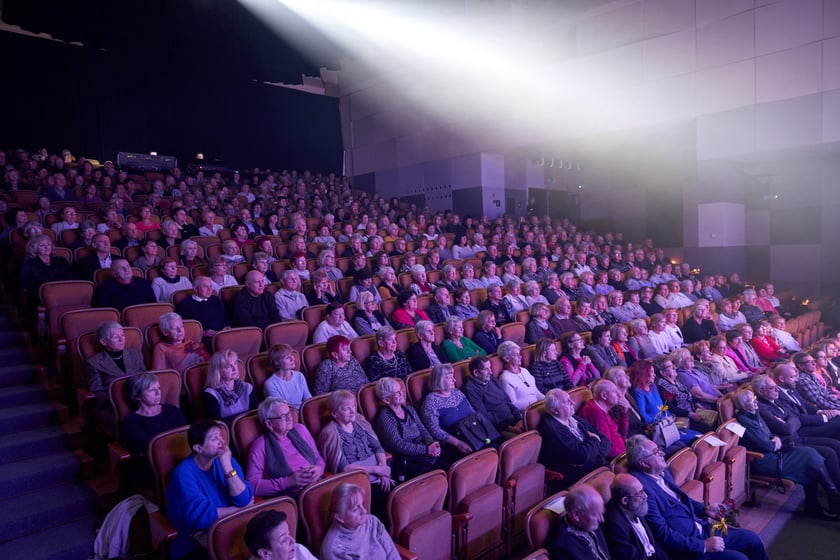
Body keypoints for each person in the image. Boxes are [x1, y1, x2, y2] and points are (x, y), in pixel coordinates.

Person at [626, 434, 769, 560]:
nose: (662, 453)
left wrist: (705, 509)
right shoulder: (642, 490)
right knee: (739, 559)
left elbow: (680, 500)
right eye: (656, 452)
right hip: (687, 548)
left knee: (752, 540)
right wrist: (703, 546)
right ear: (644, 463)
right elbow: (662, 534)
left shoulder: (663, 471)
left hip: (701, 529)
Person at [733, 388, 839, 520]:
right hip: (763, 460)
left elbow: (769, 433)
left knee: (810, 454)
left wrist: (775, 438)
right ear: (743, 405)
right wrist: (773, 441)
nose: (755, 402)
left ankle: (823, 500)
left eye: (754, 398)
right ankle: (827, 499)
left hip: (775, 451)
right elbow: (766, 445)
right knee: (809, 456)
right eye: (750, 400)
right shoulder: (744, 422)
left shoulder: (755, 413)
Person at [166, 419, 254, 559]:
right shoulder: (183, 474)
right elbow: (201, 517)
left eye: (220, 436)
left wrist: (227, 467)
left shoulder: (226, 459)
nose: (221, 442)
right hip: (196, 539)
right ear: (198, 448)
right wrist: (238, 510)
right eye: (214, 439)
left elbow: (244, 498)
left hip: (230, 524)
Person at [317, 391, 393, 497]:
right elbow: (343, 468)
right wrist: (377, 470)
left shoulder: (359, 419)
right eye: (346, 408)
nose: (352, 411)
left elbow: (378, 447)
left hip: (380, 472)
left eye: (353, 405)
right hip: (356, 480)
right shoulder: (329, 433)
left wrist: (383, 470)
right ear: (334, 413)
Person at [245, 397, 325, 498]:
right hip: (292, 497)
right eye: (283, 416)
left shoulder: (301, 429)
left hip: (317, 485)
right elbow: (252, 485)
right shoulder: (260, 446)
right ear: (269, 424)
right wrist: (289, 481)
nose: (289, 418)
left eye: (289, 413)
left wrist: (319, 469)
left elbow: (318, 457)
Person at [121, 372, 187, 488]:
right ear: (138, 396)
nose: (158, 393)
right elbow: (147, 447)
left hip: (180, 457)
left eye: (159, 388)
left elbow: (186, 435)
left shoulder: (172, 411)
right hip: (152, 464)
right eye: (151, 390)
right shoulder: (131, 421)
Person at [374, 377, 447, 481]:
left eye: (401, 390)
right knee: (439, 477)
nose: (402, 394)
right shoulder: (385, 418)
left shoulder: (409, 409)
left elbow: (423, 430)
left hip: (423, 453)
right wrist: (427, 450)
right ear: (386, 400)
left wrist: (432, 444)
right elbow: (398, 445)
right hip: (406, 460)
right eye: (397, 393)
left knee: (451, 465)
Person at [537, 388, 611, 489]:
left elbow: (606, 441)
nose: (573, 402)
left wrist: (593, 454)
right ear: (554, 410)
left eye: (570, 399)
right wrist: (595, 440)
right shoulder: (552, 429)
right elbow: (580, 456)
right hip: (577, 481)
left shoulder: (573, 418)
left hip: (595, 468)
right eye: (567, 401)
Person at [85, 321, 147, 432]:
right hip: (113, 404)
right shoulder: (93, 362)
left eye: (122, 335)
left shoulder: (136, 354)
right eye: (115, 337)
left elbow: (145, 379)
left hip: (140, 398)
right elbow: (97, 391)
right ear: (103, 342)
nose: (121, 339)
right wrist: (118, 401)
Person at [320, 483, 399, 560]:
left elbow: (392, 554)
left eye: (362, 504)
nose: (364, 511)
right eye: (355, 509)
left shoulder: (372, 522)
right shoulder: (334, 549)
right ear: (340, 517)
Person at [420, 364, 482, 459]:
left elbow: (473, 411)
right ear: (439, 380)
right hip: (453, 443)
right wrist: (457, 443)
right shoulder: (431, 401)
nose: (454, 380)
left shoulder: (457, 392)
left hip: (473, 434)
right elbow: (433, 429)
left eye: (453, 377)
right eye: (449, 378)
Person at [603, 473, 670, 560]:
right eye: (640, 493)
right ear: (625, 500)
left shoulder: (635, 506)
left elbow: (654, 543)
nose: (645, 496)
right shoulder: (614, 525)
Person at [544, 484, 611, 560]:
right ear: (576, 515)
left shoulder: (589, 521)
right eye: (596, 515)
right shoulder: (561, 547)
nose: (602, 520)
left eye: (601, 513)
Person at [462, 355, 524, 437]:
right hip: (498, 428)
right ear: (476, 373)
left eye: (490, 368)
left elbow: (507, 400)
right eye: (486, 369)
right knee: (520, 439)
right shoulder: (470, 389)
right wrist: (509, 428)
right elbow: (484, 415)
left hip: (514, 420)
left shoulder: (492, 379)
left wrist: (518, 419)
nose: (491, 372)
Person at [19, 234, 75, 309]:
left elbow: (71, 278)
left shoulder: (61, 260)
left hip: (63, 292)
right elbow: (24, 282)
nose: (46, 247)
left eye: (48, 244)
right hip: (40, 295)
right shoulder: (28, 262)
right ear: (34, 248)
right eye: (42, 245)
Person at [175, 275, 231, 350]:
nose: (209, 289)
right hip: (203, 340)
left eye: (211, 286)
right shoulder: (185, 304)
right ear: (195, 289)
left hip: (222, 334)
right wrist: (203, 333)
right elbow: (185, 328)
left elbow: (226, 317)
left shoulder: (215, 300)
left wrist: (227, 327)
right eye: (205, 286)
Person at [203, 349, 257, 423]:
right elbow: (216, 424)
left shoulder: (247, 388)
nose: (234, 369)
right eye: (228, 366)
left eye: (235, 363)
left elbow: (255, 416)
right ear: (217, 371)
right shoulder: (211, 394)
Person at [580, 379, 628, 459]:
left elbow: (622, 434)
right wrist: (627, 456)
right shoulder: (595, 413)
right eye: (614, 392)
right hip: (614, 459)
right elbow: (606, 448)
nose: (619, 395)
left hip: (622, 452)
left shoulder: (605, 409)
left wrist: (624, 413)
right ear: (604, 396)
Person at [244, 509, 317, 560]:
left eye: (289, 534)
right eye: (284, 540)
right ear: (265, 553)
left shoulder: (298, 550)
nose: (293, 541)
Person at [498, 340, 544, 411]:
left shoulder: (524, 371)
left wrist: (546, 400)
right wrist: (535, 403)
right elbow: (513, 404)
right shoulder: (505, 378)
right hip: (526, 413)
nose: (520, 357)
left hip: (537, 407)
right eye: (516, 355)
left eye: (520, 354)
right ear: (506, 358)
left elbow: (536, 392)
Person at [263, 344, 312, 410]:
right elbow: (282, 409)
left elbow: (308, 401)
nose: (293, 359)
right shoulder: (270, 384)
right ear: (277, 362)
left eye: (291, 355)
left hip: (302, 413)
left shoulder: (299, 376)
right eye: (287, 358)